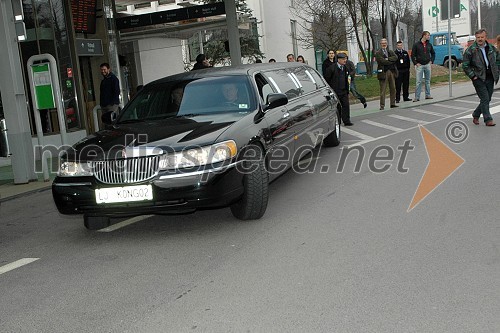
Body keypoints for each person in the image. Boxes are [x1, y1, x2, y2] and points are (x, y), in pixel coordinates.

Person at [462, 28, 499, 126]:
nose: (480, 39)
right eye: (478, 37)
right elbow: (465, 65)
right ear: (475, 38)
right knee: (485, 98)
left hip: (490, 77)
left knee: (487, 98)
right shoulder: (471, 50)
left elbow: (498, 59)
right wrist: (473, 76)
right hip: (478, 78)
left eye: (482, 37)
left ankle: (476, 114)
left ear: (485, 37)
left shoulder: (491, 48)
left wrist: (497, 70)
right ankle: (488, 120)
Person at [324, 53, 353, 126]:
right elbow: (327, 79)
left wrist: (348, 90)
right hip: (335, 91)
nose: (345, 60)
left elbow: (348, 78)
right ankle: (338, 121)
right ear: (339, 60)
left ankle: (346, 121)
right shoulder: (332, 68)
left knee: (346, 106)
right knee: (337, 107)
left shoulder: (345, 67)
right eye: (343, 59)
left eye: (345, 59)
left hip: (344, 91)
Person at [375, 38, 398, 110]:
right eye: (382, 43)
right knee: (383, 90)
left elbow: (396, 57)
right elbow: (382, 61)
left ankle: (392, 103)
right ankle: (382, 105)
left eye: (385, 43)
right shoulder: (378, 53)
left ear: (387, 44)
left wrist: (388, 59)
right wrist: (390, 61)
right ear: (380, 44)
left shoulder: (390, 51)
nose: (384, 44)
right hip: (383, 72)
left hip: (391, 72)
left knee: (393, 88)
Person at [411, 31, 435, 101]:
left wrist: (431, 61)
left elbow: (433, 53)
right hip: (420, 65)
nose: (429, 37)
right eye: (428, 35)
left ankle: (428, 95)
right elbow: (412, 55)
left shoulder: (429, 45)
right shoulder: (416, 45)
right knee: (418, 81)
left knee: (427, 81)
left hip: (427, 64)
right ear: (424, 36)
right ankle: (417, 97)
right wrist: (415, 63)